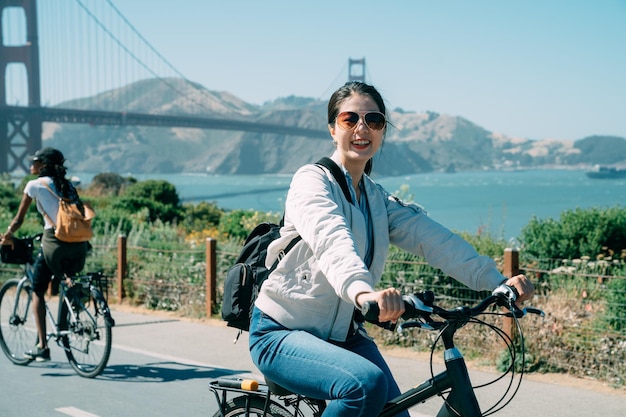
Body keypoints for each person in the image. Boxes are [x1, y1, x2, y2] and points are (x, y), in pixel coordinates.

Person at [248, 81, 535, 417]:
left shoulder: (376, 200)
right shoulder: (311, 182)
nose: (362, 128)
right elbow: (332, 240)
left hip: (344, 336)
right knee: (364, 385)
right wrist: (363, 293)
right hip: (280, 332)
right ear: (332, 128)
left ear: (383, 131)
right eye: (349, 119)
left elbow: (434, 240)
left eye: (374, 120)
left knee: (395, 413)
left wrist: (496, 280)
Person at [0, 147, 89, 362]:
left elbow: (19, 219)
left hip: (54, 243)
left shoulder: (34, 186)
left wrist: (7, 235)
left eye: (35, 160)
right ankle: (76, 297)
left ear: (43, 165)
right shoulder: (67, 185)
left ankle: (42, 346)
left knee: (38, 290)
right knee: (67, 278)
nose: (31, 164)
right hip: (79, 244)